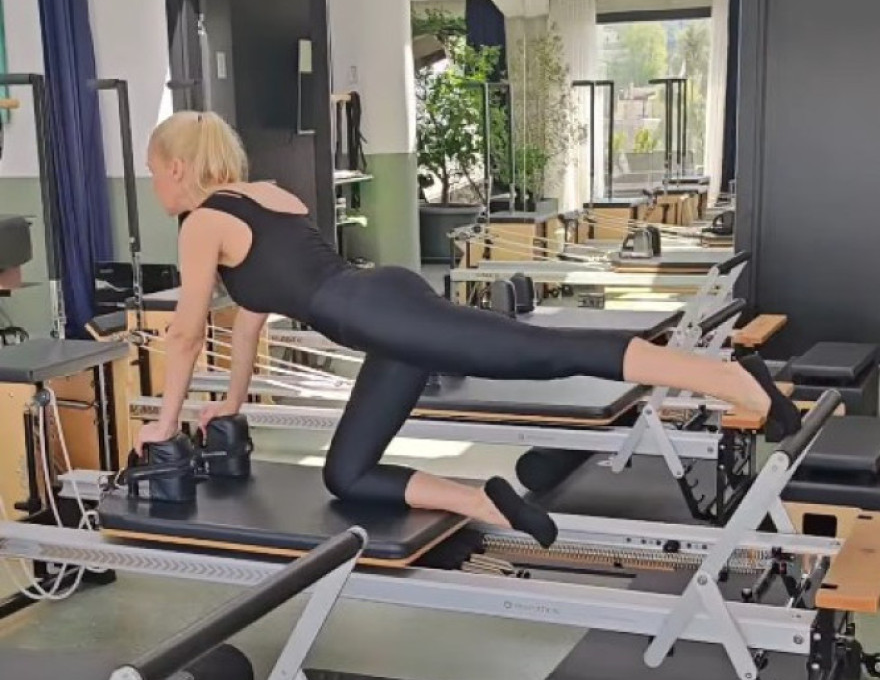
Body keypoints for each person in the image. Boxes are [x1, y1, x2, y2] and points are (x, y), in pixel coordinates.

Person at [136, 112, 800, 547]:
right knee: (347, 473)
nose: (154, 186)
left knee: (544, 354)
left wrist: (164, 426)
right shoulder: (268, 197)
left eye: (152, 172)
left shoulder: (202, 223)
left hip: (378, 314)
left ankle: (727, 378)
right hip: (381, 320)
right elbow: (249, 326)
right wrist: (229, 403)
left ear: (176, 168)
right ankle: (486, 502)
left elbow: (186, 335)